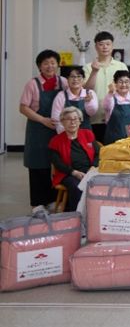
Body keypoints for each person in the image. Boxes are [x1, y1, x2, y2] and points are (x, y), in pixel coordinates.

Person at [19, 49, 68, 212]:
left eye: (53, 62)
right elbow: (23, 107)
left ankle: (52, 199)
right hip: (38, 129)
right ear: (39, 66)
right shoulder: (32, 84)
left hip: (57, 130)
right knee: (37, 165)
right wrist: (42, 120)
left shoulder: (63, 82)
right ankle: (37, 203)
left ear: (58, 65)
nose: (50, 66)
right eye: (45, 63)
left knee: (55, 164)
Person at [48, 106, 99, 212]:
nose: (72, 122)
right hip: (68, 173)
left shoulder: (87, 134)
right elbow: (57, 163)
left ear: (80, 121)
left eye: (75, 119)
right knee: (77, 186)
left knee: (104, 183)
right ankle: (76, 214)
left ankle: (96, 212)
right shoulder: (56, 141)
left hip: (90, 170)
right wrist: (74, 172)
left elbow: (98, 154)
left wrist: (93, 167)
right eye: (68, 119)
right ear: (62, 122)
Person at [83, 31, 128, 142]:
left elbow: (127, 90)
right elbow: (86, 90)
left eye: (108, 44)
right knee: (97, 149)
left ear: (112, 46)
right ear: (96, 47)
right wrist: (94, 71)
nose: (105, 47)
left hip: (116, 117)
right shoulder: (88, 67)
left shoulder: (121, 66)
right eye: (101, 44)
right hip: (94, 117)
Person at [51, 67, 98, 133]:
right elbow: (56, 118)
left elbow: (92, 112)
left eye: (79, 76)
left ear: (83, 79)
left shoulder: (90, 93)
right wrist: (68, 133)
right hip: (66, 133)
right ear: (67, 79)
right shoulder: (61, 96)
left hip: (86, 133)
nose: (75, 79)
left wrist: (89, 102)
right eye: (72, 76)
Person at [102, 70, 130, 145]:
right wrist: (110, 92)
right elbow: (106, 106)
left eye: (126, 82)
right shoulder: (110, 98)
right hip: (114, 140)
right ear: (115, 84)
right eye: (120, 82)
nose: (124, 84)